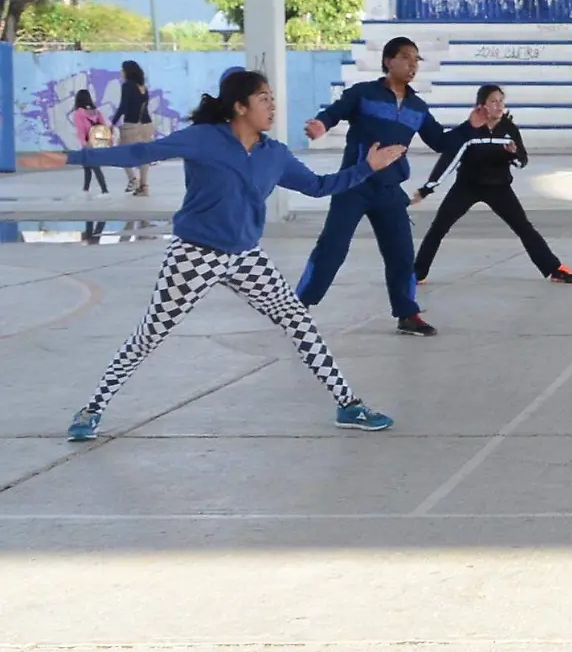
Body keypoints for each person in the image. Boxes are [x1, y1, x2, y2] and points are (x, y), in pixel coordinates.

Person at [48, 69, 405, 441]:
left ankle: (348, 405)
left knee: (299, 322)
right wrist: (72, 157)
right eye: (263, 98)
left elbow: (318, 187)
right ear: (239, 106)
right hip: (194, 255)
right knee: (150, 335)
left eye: (272, 98)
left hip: (246, 256)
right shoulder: (204, 140)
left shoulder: (275, 155)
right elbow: (143, 151)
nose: (272, 105)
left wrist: (367, 167)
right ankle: (91, 410)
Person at [298, 37, 477, 337]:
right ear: (388, 61)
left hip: (389, 190)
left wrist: (469, 126)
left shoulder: (417, 107)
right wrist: (320, 125)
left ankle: (407, 314)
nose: (412, 64)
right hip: (354, 184)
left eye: (416, 59)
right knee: (332, 249)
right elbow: (334, 112)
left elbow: (441, 142)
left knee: (401, 254)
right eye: (406, 57)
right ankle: (298, 306)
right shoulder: (364, 93)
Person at [412, 84, 572, 285]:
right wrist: (428, 187)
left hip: (499, 187)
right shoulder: (470, 130)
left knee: (524, 228)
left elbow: (521, 161)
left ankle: (554, 269)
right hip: (467, 186)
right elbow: (450, 160)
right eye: (493, 101)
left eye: (501, 101)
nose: (498, 105)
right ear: (481, 105)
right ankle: (417, 273)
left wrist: (513, 154)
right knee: (438, 227)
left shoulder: (509, 130)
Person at [112, 60, 155, 195]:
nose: (121, 72)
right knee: (143, 155)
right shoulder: (143, 87)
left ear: (127, 71)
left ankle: (133, 179)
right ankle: (144, 186)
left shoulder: (127, 86)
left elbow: (123, 106)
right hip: (147, 125)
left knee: (121, 153)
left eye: (122, 69)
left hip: (132, 124)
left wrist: (112, 123)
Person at [70, 91, 111, 195]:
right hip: (97, 142)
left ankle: (104, 190)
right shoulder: (96, 111)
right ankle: (86, 189)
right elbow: (104, 126)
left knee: (94, 166)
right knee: (87, 165)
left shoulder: (78, 113)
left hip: (88, 142)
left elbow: (81, 130)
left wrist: (84, 143)